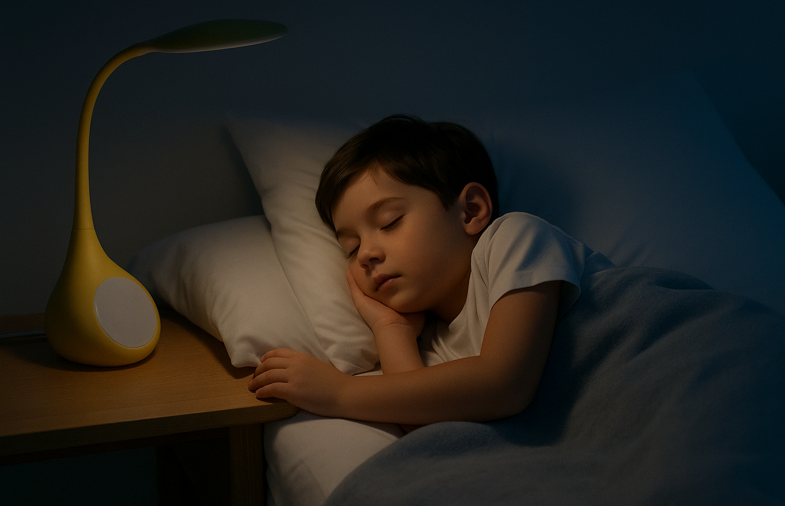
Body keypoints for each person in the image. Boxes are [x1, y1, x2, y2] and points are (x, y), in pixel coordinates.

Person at [248, 114, 612, 425]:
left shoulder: (516, 236)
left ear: (470, 211)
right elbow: (423, 424)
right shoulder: (433, 340)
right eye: (351, 247)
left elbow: (504, 383)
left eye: (390, 222)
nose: (365, 255)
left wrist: (339, 393)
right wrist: (391, 330)